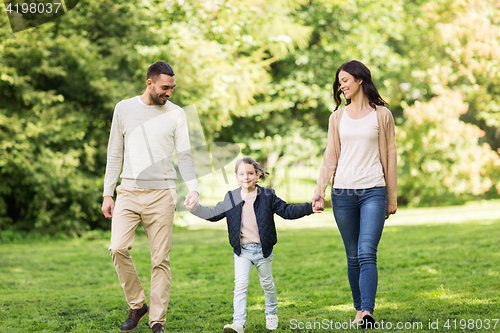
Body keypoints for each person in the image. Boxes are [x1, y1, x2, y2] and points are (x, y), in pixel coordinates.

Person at [101, 61, 199, 333]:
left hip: (162, 193)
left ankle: (157, 321)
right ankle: (137, 304)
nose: (169, 92)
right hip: (129, 192)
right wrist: (108, 193)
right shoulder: (124, 108)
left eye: (172, 88)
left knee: (160, 259)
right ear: (149, 83)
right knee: (117, 248)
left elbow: (185, 155)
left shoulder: (177, 114)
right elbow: (114, 153)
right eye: (165, 87)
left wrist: (193, 188)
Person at [185, 157, 320, 333]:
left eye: (250, 173)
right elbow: (213, 214)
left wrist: (310, 207)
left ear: (257, 175)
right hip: (242, 251)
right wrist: (195, 209)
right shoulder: (231, 197)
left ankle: (271, 314)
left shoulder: (267, 196)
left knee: (267, 284)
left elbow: (287, 211)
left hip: (262, 251)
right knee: (240, 286)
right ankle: (238, 323)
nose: (246, 177)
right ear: (236, 177)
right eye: (242, 174)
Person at [311, 60, 397, 328]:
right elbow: (330, 156)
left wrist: (391, 198)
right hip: (343, 194)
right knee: (352, 255)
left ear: (360, 80)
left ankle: (368, 311)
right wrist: (319, 191)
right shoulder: (337, 117)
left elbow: (391, 157)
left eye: (345, 80)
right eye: (339, 82)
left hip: (374, 190)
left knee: (366, 251)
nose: (342, 85)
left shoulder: (382, 115)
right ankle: (359, 310)